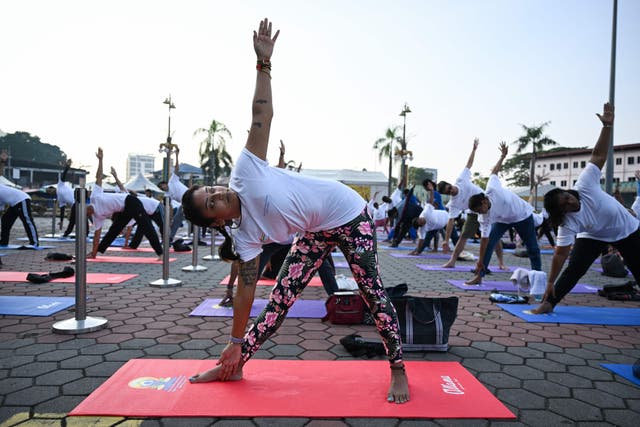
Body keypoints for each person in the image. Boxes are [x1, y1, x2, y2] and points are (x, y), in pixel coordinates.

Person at [182, 19, 409, 403]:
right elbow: (246, 288)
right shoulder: (245, 236)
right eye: (211, 201)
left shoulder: (245, 171)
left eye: (212, 189)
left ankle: (398, 369)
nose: (218, 192)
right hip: (315, 231)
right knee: (279, 302)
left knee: (371, 291)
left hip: (350, 214)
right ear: (217, 220)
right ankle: (233, 365)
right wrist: (235, 341)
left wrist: (263, 65)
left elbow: (261, 115)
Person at [532, 103, 640, 314]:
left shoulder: (585, 184)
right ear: (562, 214)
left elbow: (599, 155)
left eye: (567, 197)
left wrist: (607, 127)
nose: (570, 201)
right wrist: (550, 282)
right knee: (575, 268)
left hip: (627, 230)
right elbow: (560, 255)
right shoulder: (568, 223)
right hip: (593, 235)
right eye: (565, 206)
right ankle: (549, 303)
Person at [465, 142, 541, 285]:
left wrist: (503, 156)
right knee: (490, 245)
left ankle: (537, 278)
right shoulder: (484, 216)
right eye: (477, 212)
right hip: (503, 220)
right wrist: (480, 261)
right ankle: (479, 276)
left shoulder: (492, 188)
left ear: (484, 201)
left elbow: (494, 172)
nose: (480, 213)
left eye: (480, 209)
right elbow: (484, 240)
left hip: (522, 215)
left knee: (532, 248)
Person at [438, 138, 505, 269]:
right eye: (448, 192)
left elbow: (469, 164)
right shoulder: (453, 203)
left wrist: (474, 150)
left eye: (450, 188)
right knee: (463, 236)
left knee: (495, 237)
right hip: (473, 213)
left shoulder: (461, 179)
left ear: (450, 184)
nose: (451, 191)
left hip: (486, 207)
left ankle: (501, 263)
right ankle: (452, 261)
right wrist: (446, 240)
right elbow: (450, 222)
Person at [87, 148, 163, 258]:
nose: (87, 209)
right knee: (114, 229)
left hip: (131, 202)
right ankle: (98, 252)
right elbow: (96, 236)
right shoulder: (97, 217)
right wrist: (92, 254)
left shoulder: (95, 196)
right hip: (124, 209)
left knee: (146, 225)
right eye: (87, 212)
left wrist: (100, 160)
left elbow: (98, 177)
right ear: (88, 214)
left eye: (85, 207)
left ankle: (160, 253)